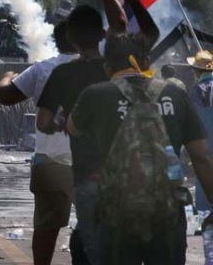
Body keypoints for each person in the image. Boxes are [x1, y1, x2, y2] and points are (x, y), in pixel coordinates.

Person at [36, 0, 159, 265]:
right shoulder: (114, 62)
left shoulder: (62, 74)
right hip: (129, 172)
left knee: (90, 246)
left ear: (70, 39)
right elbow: (129, 26)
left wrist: (64, 125)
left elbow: (43, 122)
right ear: (102, 35)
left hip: (88, 175)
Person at [68, 34, 213, 264]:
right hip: (167, 214)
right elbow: (202, 157)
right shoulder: (175, 95)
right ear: (147, 62)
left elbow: (72, 129)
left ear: (107, 67)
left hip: (116, 215)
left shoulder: (96, 95)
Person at [0, 21, 77, 265]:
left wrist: (7, 77)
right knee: (96, 224)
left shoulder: (42, 69)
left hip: (50, 161)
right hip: (90, 162)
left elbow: (5, 95)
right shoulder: (98, 68)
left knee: (46, 227)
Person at [186, 50, 213, 212]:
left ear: (197, 71)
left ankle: (205, 211)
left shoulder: (196, 91)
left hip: (204, 142)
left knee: (204, 173)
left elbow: (194, 118)